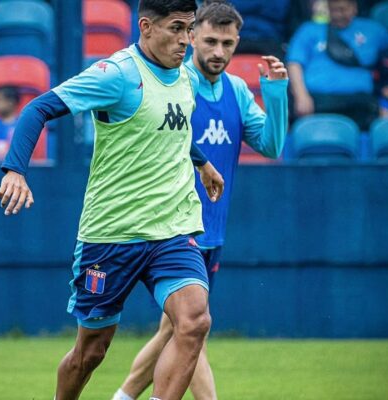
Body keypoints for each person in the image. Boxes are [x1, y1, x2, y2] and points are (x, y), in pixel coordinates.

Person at [0, 0, 265, 397]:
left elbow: (172, 127)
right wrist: (15, 169)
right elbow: (38, 108)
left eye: (189, 29)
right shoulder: (117, 74)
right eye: (176, 28)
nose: (185, 40)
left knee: (194, 321)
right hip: (112, 234)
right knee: (90, 353)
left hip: (173, 229)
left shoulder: (185, 77)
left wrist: (202, 163)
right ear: (146, 27)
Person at [113, 1, 289, 399]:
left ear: (238, 42)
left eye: (228, 43)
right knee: (193, 328)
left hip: (213, 232)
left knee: (176, 331)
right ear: (192, 37)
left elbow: (271, 145)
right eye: (210, 41)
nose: (219, 51)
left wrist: (276, 92)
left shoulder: (237, 91)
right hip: (174, 228)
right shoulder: (176, 84)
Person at [287, 0, 388, 130]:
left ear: (354, 8)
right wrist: (301, 96)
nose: (337, 15)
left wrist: (386, 101)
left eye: (342, 9)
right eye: (333, 10)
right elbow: (294, 64)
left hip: (360, 104)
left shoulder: (374, 30)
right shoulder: (309, 29)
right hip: (317, 102)